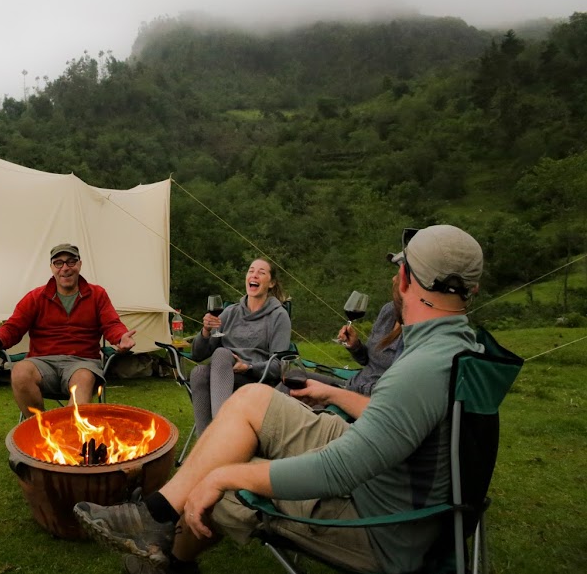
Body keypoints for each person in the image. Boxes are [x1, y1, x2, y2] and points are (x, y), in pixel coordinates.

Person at [74, 225, 485, 574]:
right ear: (473, 289)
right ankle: (157, 513)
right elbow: (391, 425)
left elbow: (338, 471)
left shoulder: (421, 369)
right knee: (252, 400)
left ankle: (172, 562)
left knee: (220, 480)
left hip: (382, 524)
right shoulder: (459, 347)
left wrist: (224, 476)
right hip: (389, 475)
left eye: (398, 270)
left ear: (406, 279)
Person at [0, 243, 137, 417]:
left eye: (71, 262)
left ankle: (68, 431)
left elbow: (111, 324)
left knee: (83, 379)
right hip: (42, 362)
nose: (65, 268)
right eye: (58, 263)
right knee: (20, 372)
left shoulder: (97, 294)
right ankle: (40, 428)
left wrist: (121, 337)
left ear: (79, 264)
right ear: (51, 267)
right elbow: (14, 326)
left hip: (82, 362)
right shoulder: (36, 297)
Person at [188, 258, 291, 434]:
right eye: (251, 271)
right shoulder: (230, 312)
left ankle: (220, 433)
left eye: (261, 272)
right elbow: (198, 355)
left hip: (255, 379)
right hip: (221, 374)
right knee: (199, 372)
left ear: (271, 283)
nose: (254, 275)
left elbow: (279, 366)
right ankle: (206, 441)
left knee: (221, 353)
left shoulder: (278, 316)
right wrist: (205, 331)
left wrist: (248, 367)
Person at [293, 283, 405, 417]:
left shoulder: (415, 332)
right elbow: (367, 360)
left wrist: (335, 394)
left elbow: (393, 393)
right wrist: (355, 346)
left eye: (401, 273)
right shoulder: (389, 310)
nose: (394, 279)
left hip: (367, 403)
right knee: (294, 378)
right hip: (351, 386)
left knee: (303, 414)